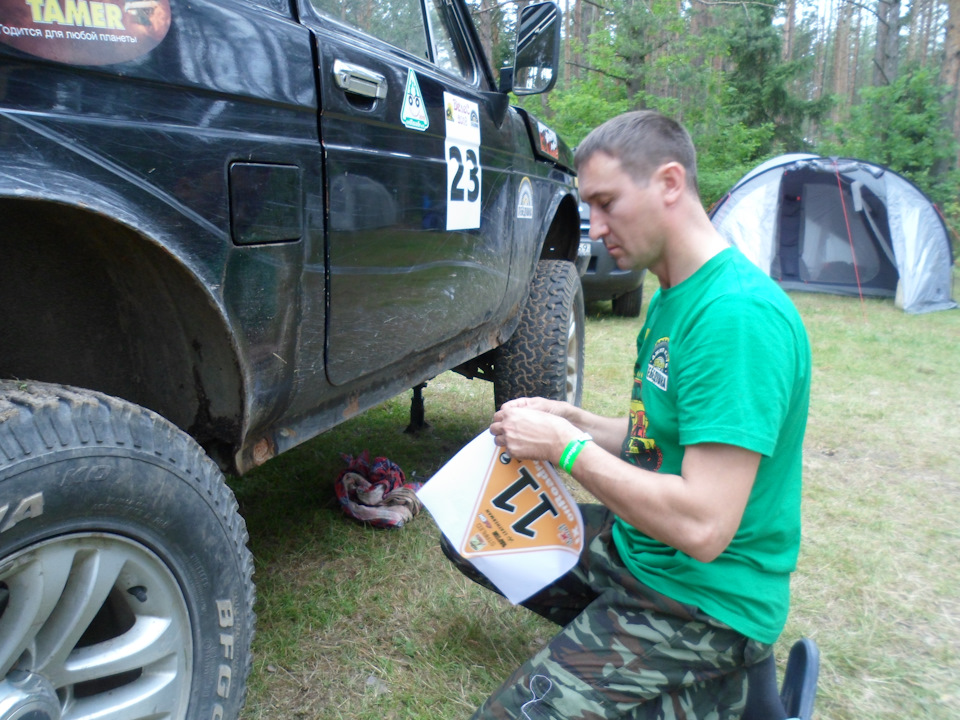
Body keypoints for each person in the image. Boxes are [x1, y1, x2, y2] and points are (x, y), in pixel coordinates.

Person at [442, 110, 812, 719]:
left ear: (669, 183)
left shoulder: (736, 319)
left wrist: (567, 447)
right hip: (638, 550)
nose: (594, 227)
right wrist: (574, 420)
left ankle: (729, 682)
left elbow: (703, 526)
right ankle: (696, 683)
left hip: (702, 599)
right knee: (472, 531)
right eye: (589, 206)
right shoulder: (675, 294)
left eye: (608, 203)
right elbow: (657, 438)